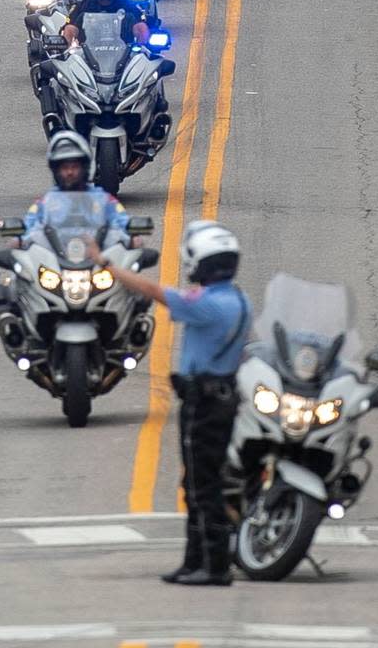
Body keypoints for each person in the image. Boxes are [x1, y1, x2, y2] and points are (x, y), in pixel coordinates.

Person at [86, 217, 250, 585]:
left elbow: (152, 290)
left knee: (203, 486)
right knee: (195, 482)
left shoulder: (208, 305)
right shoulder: (238, 299)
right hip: (217, 398)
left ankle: (215, 565)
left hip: (204, 404)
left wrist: (105, 264)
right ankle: (195, 561)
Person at [21, 131, 131, 244]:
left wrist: (133, 238)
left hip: (98, 258)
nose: (69, 172)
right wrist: (18, 240)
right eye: (64, 168)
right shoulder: (44, 203)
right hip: (53, 260)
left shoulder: (105, 200)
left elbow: (124, 225)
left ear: (85, 167)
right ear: (55, 171)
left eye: (74, 167)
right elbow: (27, 229)